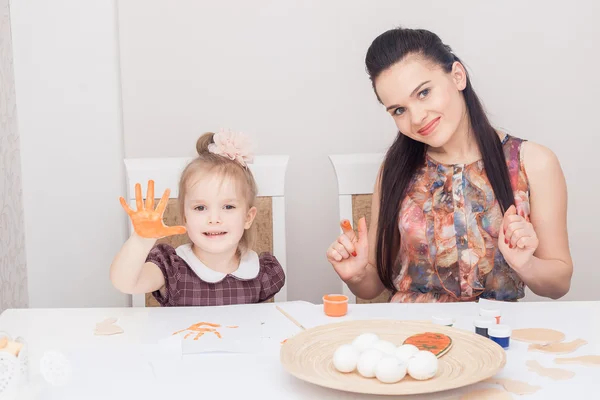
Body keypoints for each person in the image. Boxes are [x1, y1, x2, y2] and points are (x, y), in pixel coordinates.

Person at [326, 27, 572, 303]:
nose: (416, 118)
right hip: (412, 336)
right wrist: (357, 275)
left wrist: (527, 264)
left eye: (423, 93)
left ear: (457, 76)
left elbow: (559, 284)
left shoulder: (533, 162)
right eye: (399, 110)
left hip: (494, 334)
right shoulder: (395, 170)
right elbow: (371, 288)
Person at [110, 129, 285, 306]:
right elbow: (125, 283)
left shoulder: (261, 272)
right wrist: (141, 239)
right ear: (185, 217)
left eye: (228, 207)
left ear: (248, 218)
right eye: (200, 207)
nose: (214, 219)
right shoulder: (172, 269)